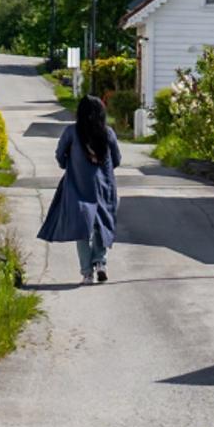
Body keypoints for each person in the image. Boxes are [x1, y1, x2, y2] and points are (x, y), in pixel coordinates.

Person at [41, 94, 122, 286]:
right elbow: (117, 159)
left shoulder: (71, 132)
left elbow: (60, 155)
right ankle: (100, 262)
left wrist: (68, 164)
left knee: (82, 230)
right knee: (101, 224)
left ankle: (87, 273)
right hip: (104, 186)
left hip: (78, 186)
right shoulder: (108, 133)